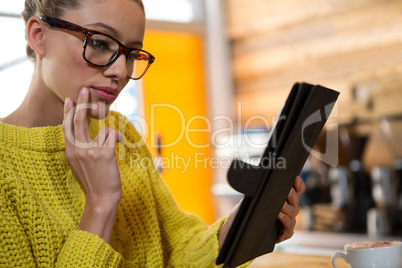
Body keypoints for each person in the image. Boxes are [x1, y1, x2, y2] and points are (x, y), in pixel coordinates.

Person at [0, 0, 305, 266]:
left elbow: (180, 252)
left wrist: (249, 220)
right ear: (38, 36)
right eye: (100, 43)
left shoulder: (120, 133)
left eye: (131, 53)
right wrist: (101, 203)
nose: (120, 71)